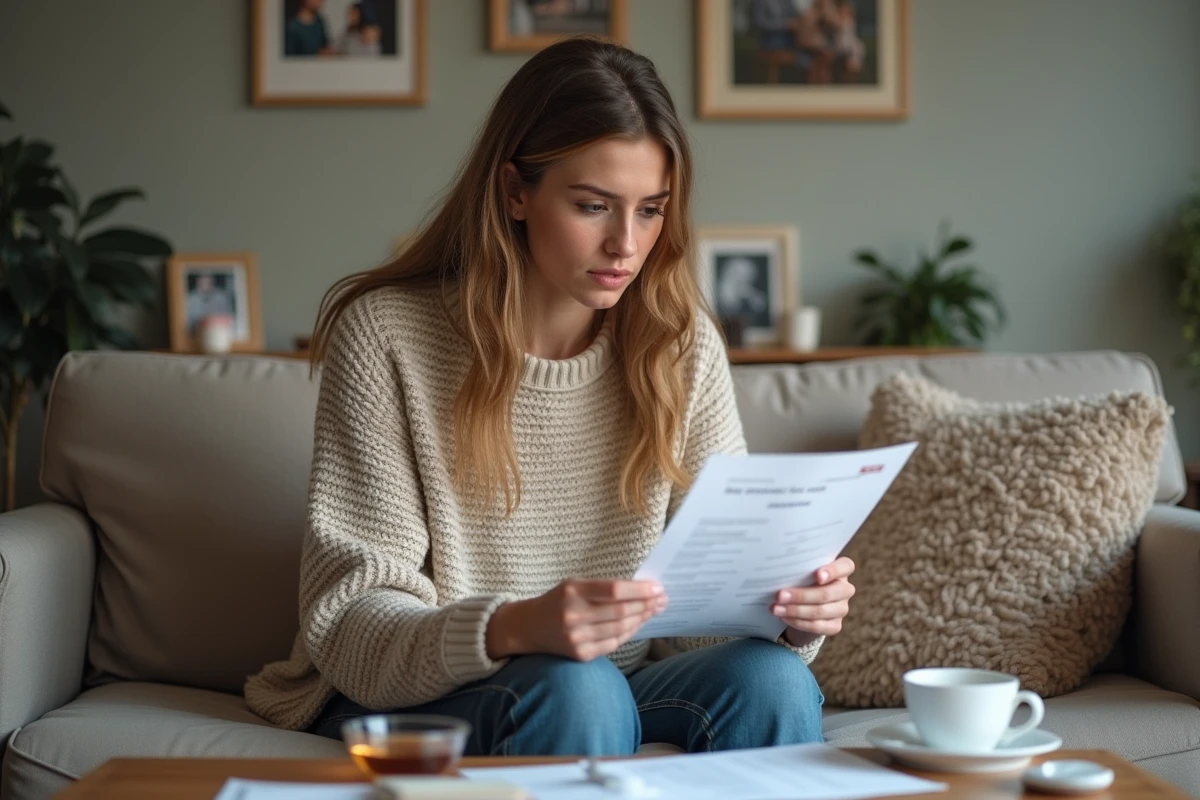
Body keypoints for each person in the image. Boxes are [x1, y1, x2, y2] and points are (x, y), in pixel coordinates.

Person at [244, 36, 857, 757]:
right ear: (515, 192)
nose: (626, 245)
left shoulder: (678, 341)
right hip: (419, 692)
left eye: (651, 210)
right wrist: (513, 627)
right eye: (594, 205)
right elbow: (349, 622)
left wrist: (786, 613)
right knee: (579, 685)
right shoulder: (387, 337)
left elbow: (698, 620)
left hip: (608, 683)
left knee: (772, 677)